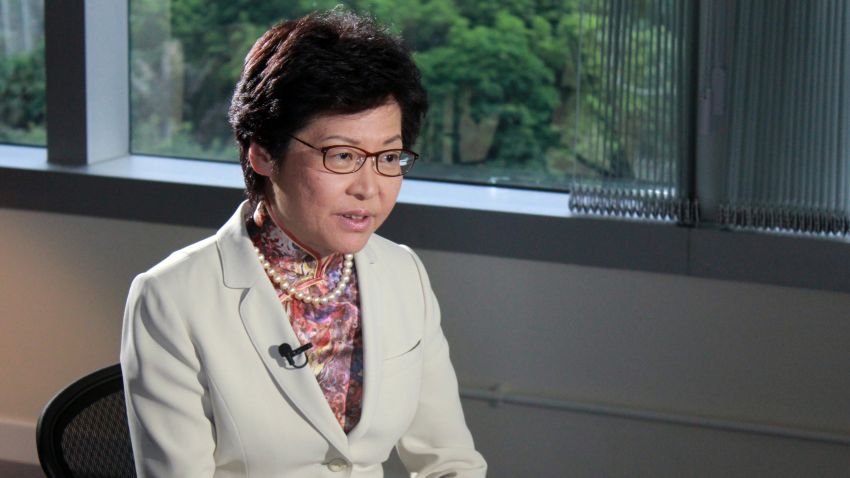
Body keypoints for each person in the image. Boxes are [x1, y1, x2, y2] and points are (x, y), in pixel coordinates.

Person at [120, 8, 487, 478]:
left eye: (389, 156)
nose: (370, 187)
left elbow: (449, 461)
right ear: (263, 153)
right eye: (342, 155)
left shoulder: (403, 272)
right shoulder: (171, 298)